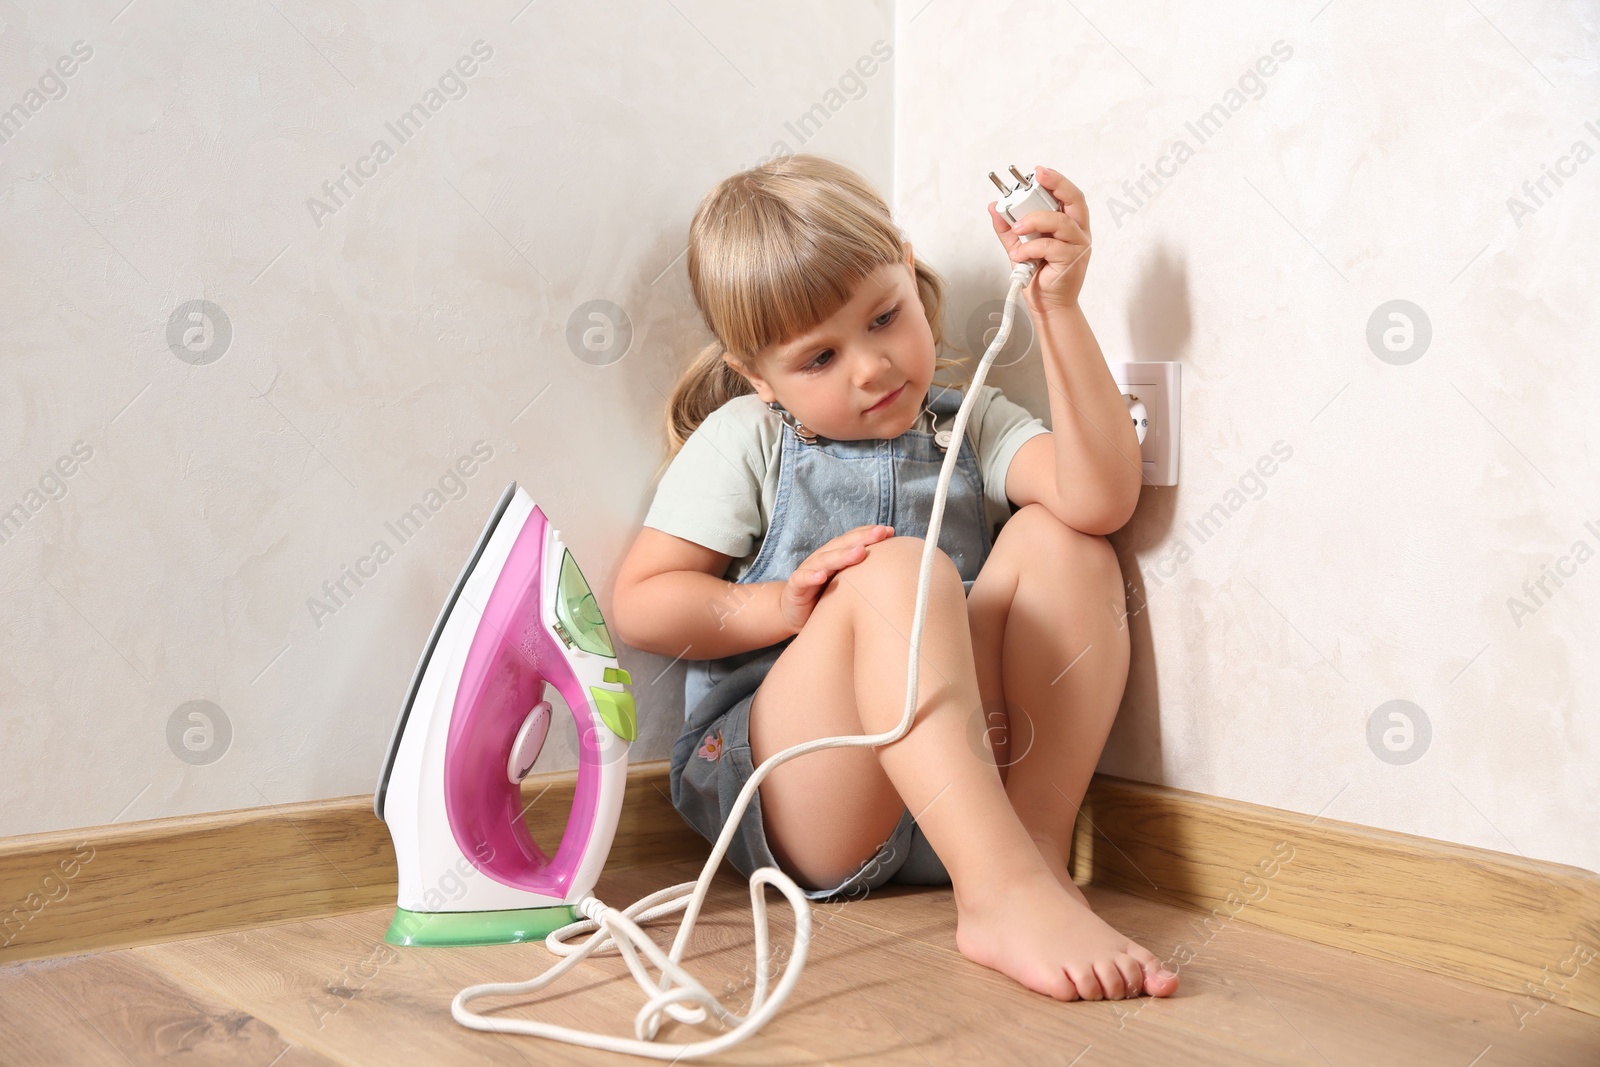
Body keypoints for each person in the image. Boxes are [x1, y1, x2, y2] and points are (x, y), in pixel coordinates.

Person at [611, 154, 1178, 1002]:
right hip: (812, 794)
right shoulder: (748, 439)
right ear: (758, 376)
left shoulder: (968, 420)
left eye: (884, 317)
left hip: (971, 786)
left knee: (1070, 542)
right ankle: (999, 892)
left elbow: (1098, 497)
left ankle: (1031, 856)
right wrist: (777, 602)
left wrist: (1056, 308)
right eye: (819, 359)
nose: (871, 368)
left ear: (912, 277)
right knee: (897, 572)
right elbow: (644, 601)